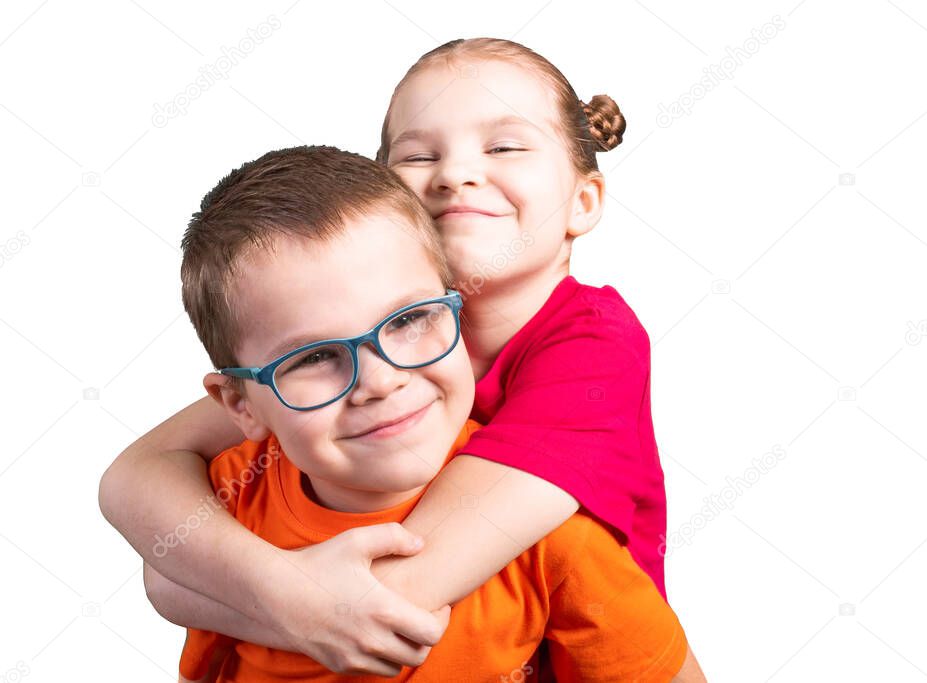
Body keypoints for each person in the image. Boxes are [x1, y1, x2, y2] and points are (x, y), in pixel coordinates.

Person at [99, 38, 680, 676]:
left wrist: (215, 584)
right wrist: (237, 582)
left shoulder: (594, 345)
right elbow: (137, 475)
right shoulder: (352, 356)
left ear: (584, 201)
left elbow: (398, 593)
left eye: (505, 146)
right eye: (419, 155)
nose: (456, 173)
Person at [172, 145, 703, 682]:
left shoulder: (549, 532)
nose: (381, 381)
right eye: (314, 356)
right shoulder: (222, 506)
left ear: (460, 312)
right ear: (240, 403)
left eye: (408, 320)